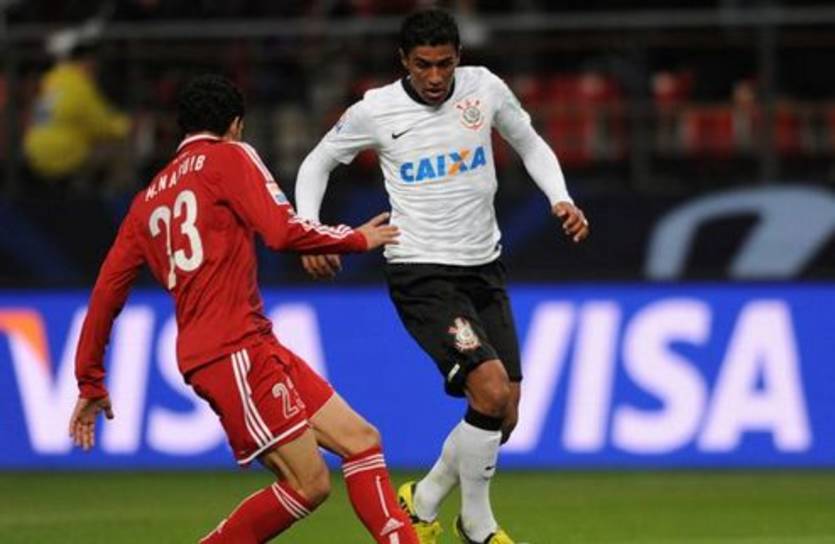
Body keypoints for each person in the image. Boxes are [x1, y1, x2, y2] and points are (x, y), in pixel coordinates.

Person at [69, 74, 419, 544]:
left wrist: (90, 379)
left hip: (246, 343)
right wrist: (354, 238)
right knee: (308, 484)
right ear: (236, 124)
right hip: (231, 348)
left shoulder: (146, 201)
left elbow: (106, 293)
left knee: (360, 440)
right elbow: (280, 231)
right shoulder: (231, 155)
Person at [294, 9, 589, 544]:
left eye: (445, 64)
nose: (435, 76)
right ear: (403, 61)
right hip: (422, 272)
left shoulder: (484, 88)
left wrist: (560, 198)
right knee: (490, 389)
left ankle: (423, 501)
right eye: (423, 65)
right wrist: (311, 231)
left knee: (504, 414)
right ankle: (477, 526)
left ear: (459, 58)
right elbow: (317, 163)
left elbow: (529, 142)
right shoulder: (375, 109)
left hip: (484, 267)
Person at [23, 26, 132, 193]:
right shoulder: (80, 86)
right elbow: (104, 126)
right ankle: (116, 202)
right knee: (120, 149)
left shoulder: (52, 78)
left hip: (34, 152)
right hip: (60, 156)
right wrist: (128, 124)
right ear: (86, 62)